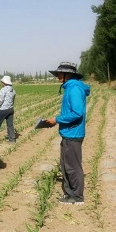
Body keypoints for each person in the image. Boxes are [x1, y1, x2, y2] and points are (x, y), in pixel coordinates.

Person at [44, 62, 90, 205]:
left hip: (73, 134)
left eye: (60, 73)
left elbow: (77, 112)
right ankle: (70, 193)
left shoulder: (74, 89)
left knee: (73, 166)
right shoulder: (70, 87)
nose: (57, 76)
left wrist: (57, 119)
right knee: (66, 165)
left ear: (67, 75)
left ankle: (77, 197)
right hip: (69, 132)